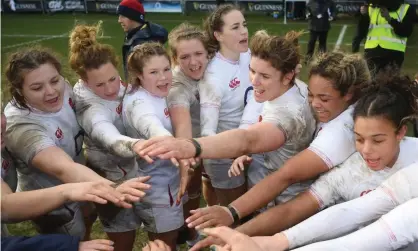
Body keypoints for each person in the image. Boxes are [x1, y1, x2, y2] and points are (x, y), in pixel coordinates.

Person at [179, 51, 371, 249]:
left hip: (338, 223)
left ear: (348, 94)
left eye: (324, 98)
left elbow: (284, 175)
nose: (314, 104)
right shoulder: (335, 109)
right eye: (312, 95)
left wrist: (232, 214)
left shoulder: (341, 132)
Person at [134, 29, 317, 228]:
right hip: (269, 191)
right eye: (252, 71)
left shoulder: (289, 113)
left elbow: (249, 140)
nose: (254, 80)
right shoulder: (286, 87)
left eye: (264, 75)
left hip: (283, 203)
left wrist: (192, 146)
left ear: (288, 75)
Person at [230, 70, 418, 239]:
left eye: (377, 140)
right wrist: (236, 234)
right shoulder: (346, 173)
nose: (366, 150)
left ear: (400, 132)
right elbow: (291, 211)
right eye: (359, 139)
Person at [3, 47, 150, 239]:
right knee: (74, 240)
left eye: (55, 80)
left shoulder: (65, 88)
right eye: (37, 88)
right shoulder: (21, 127)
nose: (51, 91)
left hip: (82, 182)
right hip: (53, 202)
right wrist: (110, 187)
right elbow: (63, 168)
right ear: (19, 91)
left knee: (88, 217)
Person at [68, 22, 151, 251]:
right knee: (122, 236)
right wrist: (142, 146)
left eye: (114, 79)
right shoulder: (89, 108)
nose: (111, 89)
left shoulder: (112, 83)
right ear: (84, 81)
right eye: (100, 84)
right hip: (109, 178)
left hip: (130, 169)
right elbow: (110, 138)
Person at [122, 42, 184, 250]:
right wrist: (172, 143)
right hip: (155, 187)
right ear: (139, 75)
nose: (164, 77)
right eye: (154, 72)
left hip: (165, 181)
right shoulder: (140, 103)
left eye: (166, 69)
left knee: (170, 238)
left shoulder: (153, 92)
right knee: (163, 243)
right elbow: (151, 125)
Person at [196, 4, 252, 206]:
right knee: (234, 213)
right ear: (218, 35)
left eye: (244, 25)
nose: (244, 31)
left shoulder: (247, 55)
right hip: (225, 156)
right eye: (235, 27)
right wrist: (223, 157)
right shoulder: (213, 76)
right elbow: (208, 131)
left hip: (249, 146)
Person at [166, 22, 212, 247]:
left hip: (216, 140)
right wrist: (187, 151)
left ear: (208, 53)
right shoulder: (177, 86)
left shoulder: (216, 67)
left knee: (211, 182)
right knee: (190, 186)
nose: (193, 62)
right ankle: (189, 229)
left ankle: (207, 222)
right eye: (184, 57)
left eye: (198, 54)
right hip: (192, 143)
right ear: (174, 59)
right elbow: (182, 120)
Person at [357, 0, 415, 73]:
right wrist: (364, 16)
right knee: (371, 82)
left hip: (393, 53)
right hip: (372, 52)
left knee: (391, 82)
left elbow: (407, 32)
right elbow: (362, 31)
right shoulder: (371, 7)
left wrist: (390, 19)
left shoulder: (406, 8)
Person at [117, 0, 168, 80]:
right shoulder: (136, 35)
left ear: (133, 16)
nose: (119, 20)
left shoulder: (142, 43)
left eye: (123, 16)